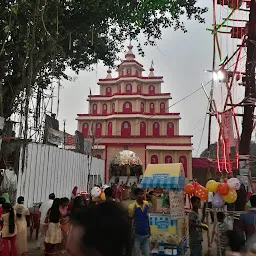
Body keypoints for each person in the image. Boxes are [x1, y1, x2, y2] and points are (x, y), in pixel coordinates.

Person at [128, 188, 150, 256]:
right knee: (136, 254)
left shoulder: (146, 204)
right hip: (136, 236)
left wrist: (149, 230)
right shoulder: (131, 207)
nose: (142, 195)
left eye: (142, 193)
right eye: (140, 194)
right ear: (136, 195)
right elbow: (130, 221)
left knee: (147, 254)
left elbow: (147, 218)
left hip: (146, 235)